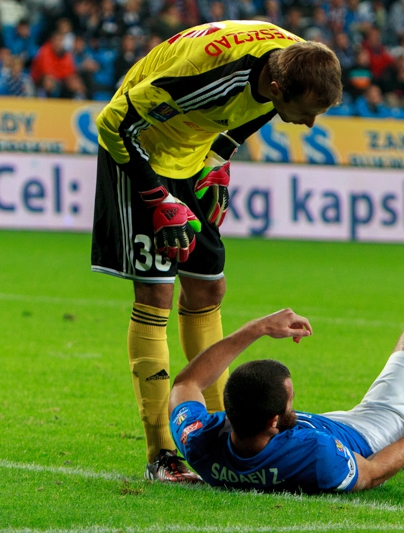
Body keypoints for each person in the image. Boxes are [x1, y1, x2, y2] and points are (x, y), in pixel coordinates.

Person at [90, 20, 342, 483]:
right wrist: (156, 198)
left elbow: (251, 115)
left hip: (191, 153)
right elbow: (111, 123)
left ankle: (222, 429)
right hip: (139, 155)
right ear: (277, 83)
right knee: (156, 296)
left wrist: (218, 162)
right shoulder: (205, 77)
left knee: (208, 288)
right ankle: (162, 453)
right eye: (305, 112)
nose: (308, 123)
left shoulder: (291, 59)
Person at [169, 308, 404, 492]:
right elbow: (373, 474)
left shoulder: (200, 440)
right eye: (290, 402)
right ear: (273, 421)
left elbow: (187, 383)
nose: (293, 406)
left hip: (330, 425)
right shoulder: (314, 454)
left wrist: (258, 328)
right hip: (367, 434)